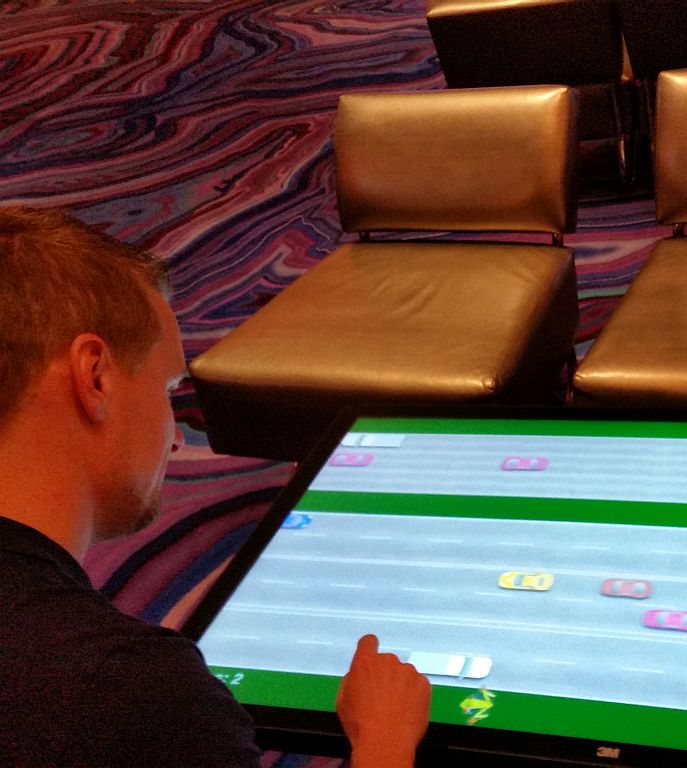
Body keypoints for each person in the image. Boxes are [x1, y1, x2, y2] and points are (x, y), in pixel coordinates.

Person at [0, 206, 430, 767]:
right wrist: (384, 742)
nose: (177, 439)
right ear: (95, 376)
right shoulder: (131, 694)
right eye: (168, 389)